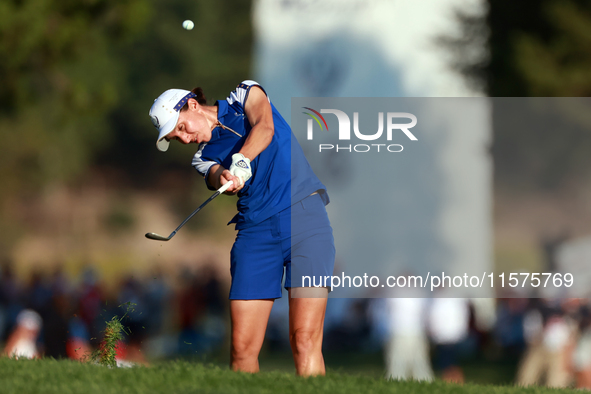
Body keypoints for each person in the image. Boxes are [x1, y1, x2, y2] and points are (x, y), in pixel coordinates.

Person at [148, 80, 335, 376]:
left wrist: (242, 159)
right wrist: (226, 175)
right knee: (242, 349)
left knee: (304, 339)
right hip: (255, 234)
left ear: (193, 105)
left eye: (181, 127)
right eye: (175, 137)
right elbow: (215, 175)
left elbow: (264, 126)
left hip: (305, 220)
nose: (183, 139)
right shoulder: (203, 157)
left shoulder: (243, 94)